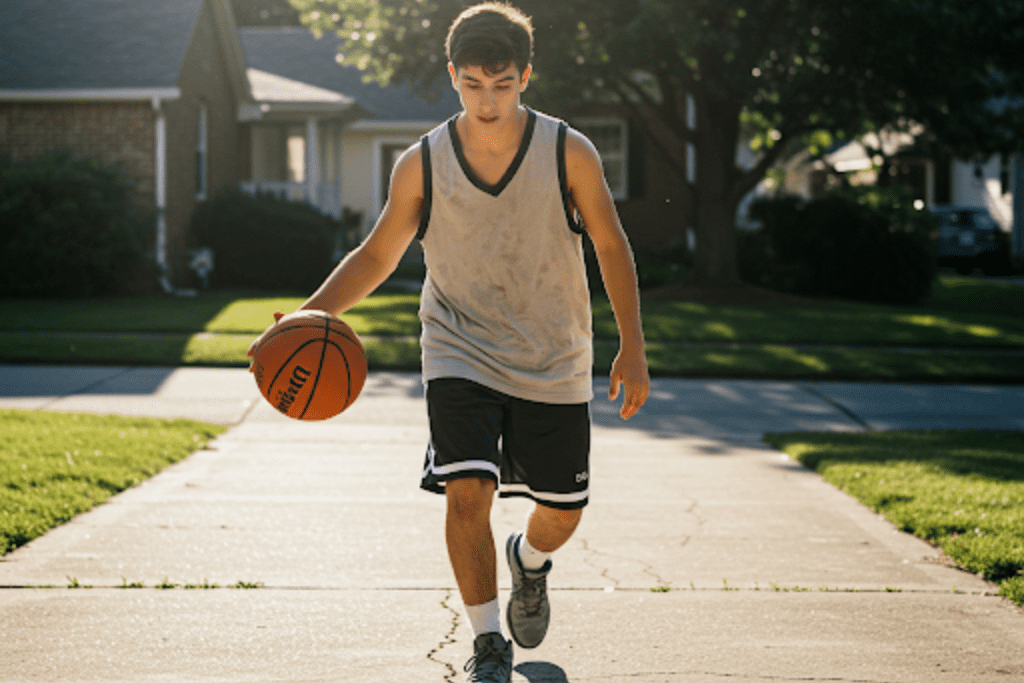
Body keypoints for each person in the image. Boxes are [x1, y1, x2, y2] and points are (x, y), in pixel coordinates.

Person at [249, 3, 649, 681]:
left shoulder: (566, 151)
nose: (487, 100)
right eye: (472, 84)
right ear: (452, 76)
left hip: (553, 352)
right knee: (467, 488)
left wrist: (632, 345)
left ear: (526, 75)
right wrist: (304, 319)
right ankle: (488, 642)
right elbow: (376, 255)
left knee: (563, 510)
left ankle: (530, 560)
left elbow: (611, 244)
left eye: (501, 83)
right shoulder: (423, 163)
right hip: (458, 347)